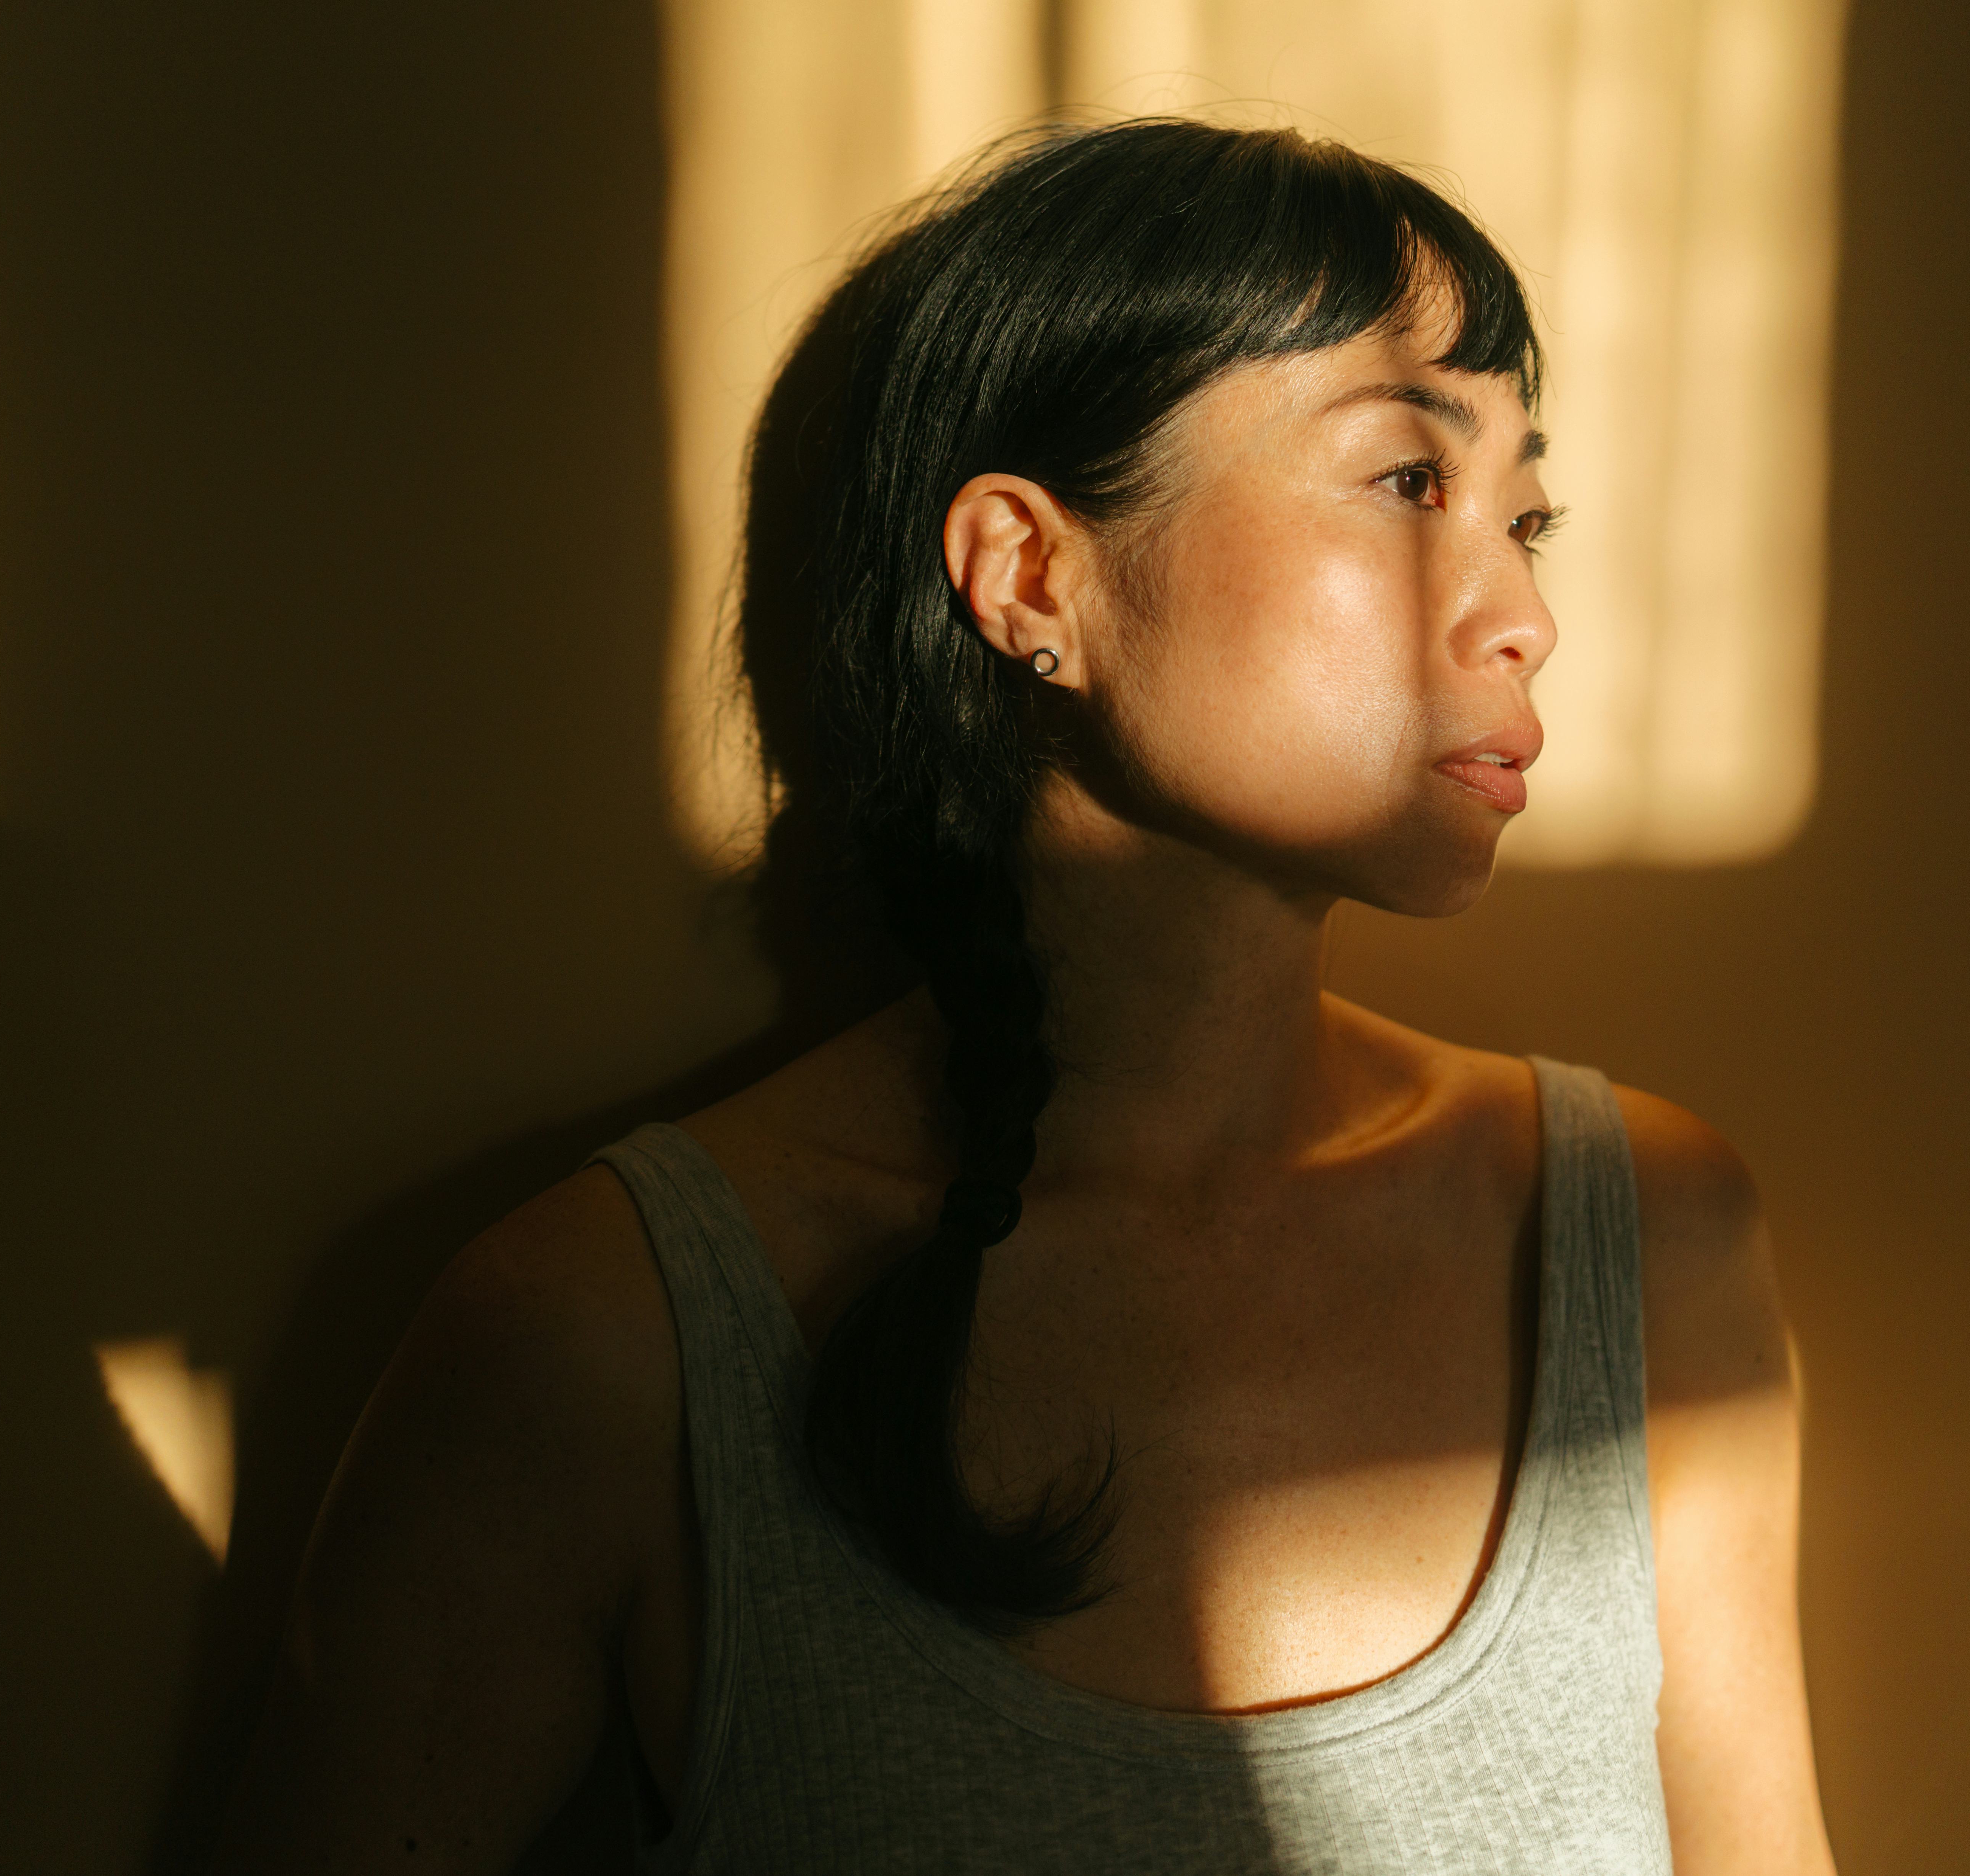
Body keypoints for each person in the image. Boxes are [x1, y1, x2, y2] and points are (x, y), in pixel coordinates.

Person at [217, 119, 1838, 1873]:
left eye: (1527, 514)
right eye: (1404, 483)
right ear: (1027, 575)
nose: (1520, 612)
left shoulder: (1637, 1237)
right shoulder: (611, 1334)